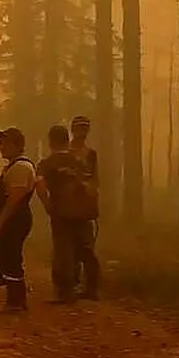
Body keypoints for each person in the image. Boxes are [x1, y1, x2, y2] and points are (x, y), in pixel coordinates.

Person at [35, 124, 101, 303]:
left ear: (50, 142)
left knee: (63, 251)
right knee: (86, 249)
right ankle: (92, 289)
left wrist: (47, 204)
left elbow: (39, 183)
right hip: (84, 212)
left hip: (61, 212)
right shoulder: (79, 160)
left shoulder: (47, 163)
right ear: (66, 140)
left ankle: (65, 292)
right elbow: (92, 183)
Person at [0, 127, 36, 311]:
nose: (1, 147)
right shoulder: (12, 166)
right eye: (1, 143)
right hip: (12, 219)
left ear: (18, 145)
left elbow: (15, 199)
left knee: (12, 258)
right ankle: (14, 300)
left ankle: (16, 301)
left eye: (6, 143)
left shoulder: (21, 167)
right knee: (8, 258)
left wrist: (1, 221)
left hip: (15, 219)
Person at [68, 114, 100, 299]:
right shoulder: (66, 152)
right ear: (73, 130)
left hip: (85, 208)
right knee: (69, 248)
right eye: (79, 128)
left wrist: (91, 195)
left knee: (86, 248)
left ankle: (91, 287)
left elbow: (95, 180)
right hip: (68, 206)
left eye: (85, 128)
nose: (82, 132)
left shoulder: (91, 154)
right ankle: (71, 284)